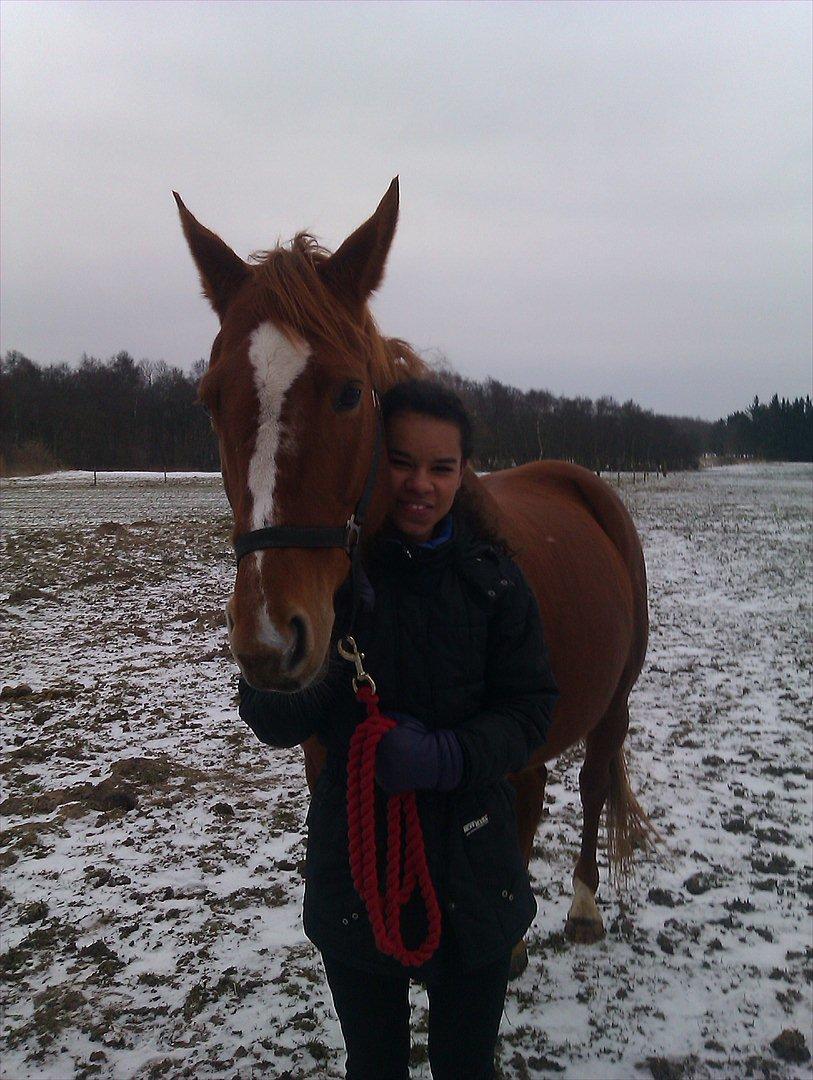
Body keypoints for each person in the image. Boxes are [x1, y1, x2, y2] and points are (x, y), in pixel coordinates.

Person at [238, 379, 558, 1080]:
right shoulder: (339, 586)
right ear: (372, 464)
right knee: (374, 1066)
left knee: (466, 1067)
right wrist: (285, 651)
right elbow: (271, 720)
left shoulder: (496, 585)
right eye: (402, 462)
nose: (420, 485)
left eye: (441, 468)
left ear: (461, 474)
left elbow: (530, 711)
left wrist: (446, 757)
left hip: (475, 880)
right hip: (356, 879)